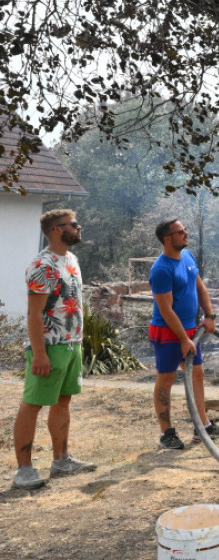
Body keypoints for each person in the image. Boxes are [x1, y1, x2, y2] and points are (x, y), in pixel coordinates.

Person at [12, 209, 97, 489]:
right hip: (49, 346)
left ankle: (62, 460)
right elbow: (34, 314)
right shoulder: (43, 265)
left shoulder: (70, 259)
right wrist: (39, 353)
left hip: (71, 345)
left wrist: (78, 343)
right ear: (57, 230)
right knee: (33, 404)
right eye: (74, 224)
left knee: (63, 401)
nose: (79, 227)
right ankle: (24, 470)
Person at [148, 218, 219, 449]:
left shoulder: (188, 257)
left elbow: (200, 288)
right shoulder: (161, 269)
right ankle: (167, 434)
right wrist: (183, 339)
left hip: (191, 330)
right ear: (167, 238)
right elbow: (165, 310)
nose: (186, 233)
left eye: (184, 230)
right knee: (166, 379)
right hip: (168, 331)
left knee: (197, 375)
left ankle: (202, 426)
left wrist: (210, 315)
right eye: (180, 231)